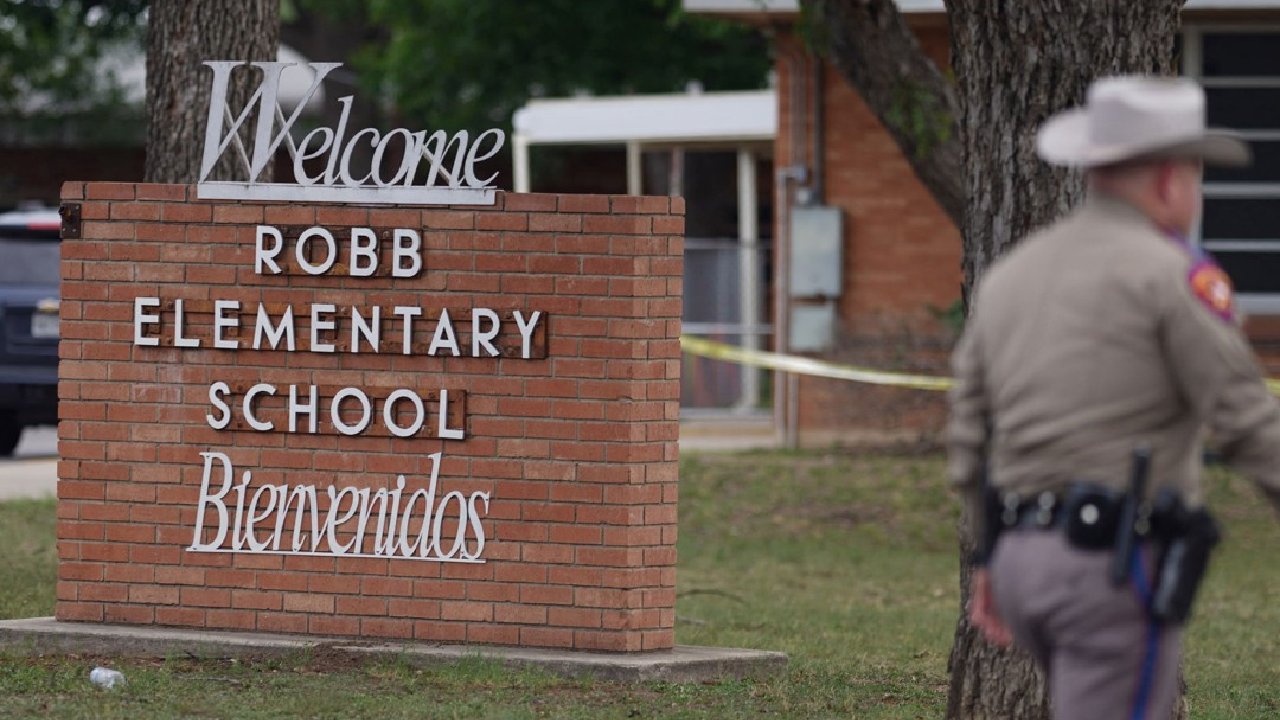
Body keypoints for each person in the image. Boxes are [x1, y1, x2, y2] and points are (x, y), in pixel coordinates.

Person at [948, 75, 1280, 720]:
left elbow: (968, 432)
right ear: (1167, 181)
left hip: (1020, 562)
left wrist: (990, 554)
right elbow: (1245, 420)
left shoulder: (1012, 274)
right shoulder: (1171, 274)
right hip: (1111, 568)